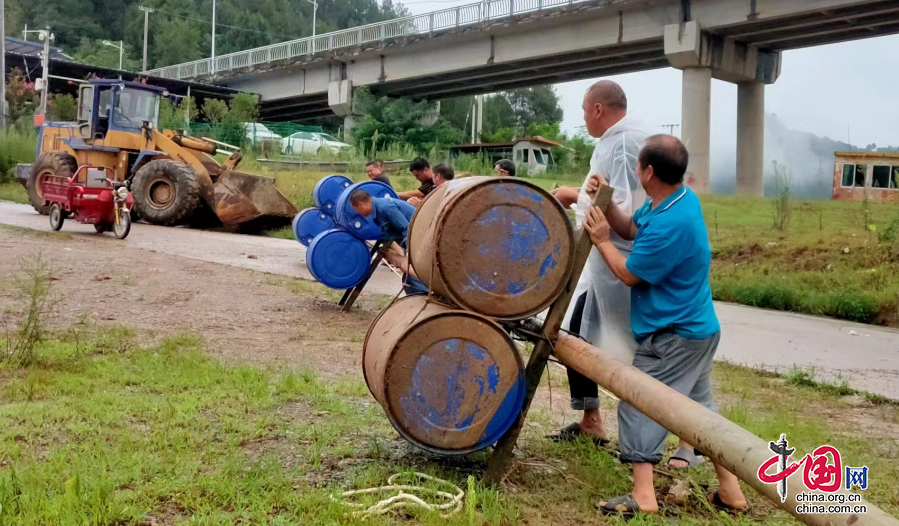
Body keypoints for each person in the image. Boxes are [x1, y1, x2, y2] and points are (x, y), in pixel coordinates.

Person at [584, 135, 748, 517]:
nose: (637, 172)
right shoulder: (674, 201)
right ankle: (731, 491)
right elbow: (631, 230)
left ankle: (643, 497)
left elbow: (628, 274)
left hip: (673, 335)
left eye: (639, 166)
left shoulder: (669, 223)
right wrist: (606, 199)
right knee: (698, 414)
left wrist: (599, 239)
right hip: (698, 329)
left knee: (640, 404)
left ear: (648, 172)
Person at [546, 80, 654, 449]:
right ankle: (591, 419)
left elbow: (622, 202)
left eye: (583, 110)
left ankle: (675, 438)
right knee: (579, 331)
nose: (583, 118)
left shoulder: (624, 141)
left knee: (627, 346)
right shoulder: (619, 137)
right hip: (602, 255)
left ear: (597, 109)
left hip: (618, 254)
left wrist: (575, 195)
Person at [349, 189, 427, 295]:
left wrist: (410, 254)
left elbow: (406, 228)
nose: (357, 213)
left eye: (356, 210)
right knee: (409, 280)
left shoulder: (385, 207)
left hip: (421, 238)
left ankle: (430, 295)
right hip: (416, 238)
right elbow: (391, 232)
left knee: (414, 275)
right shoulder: (378, 208)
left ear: (360, 205)